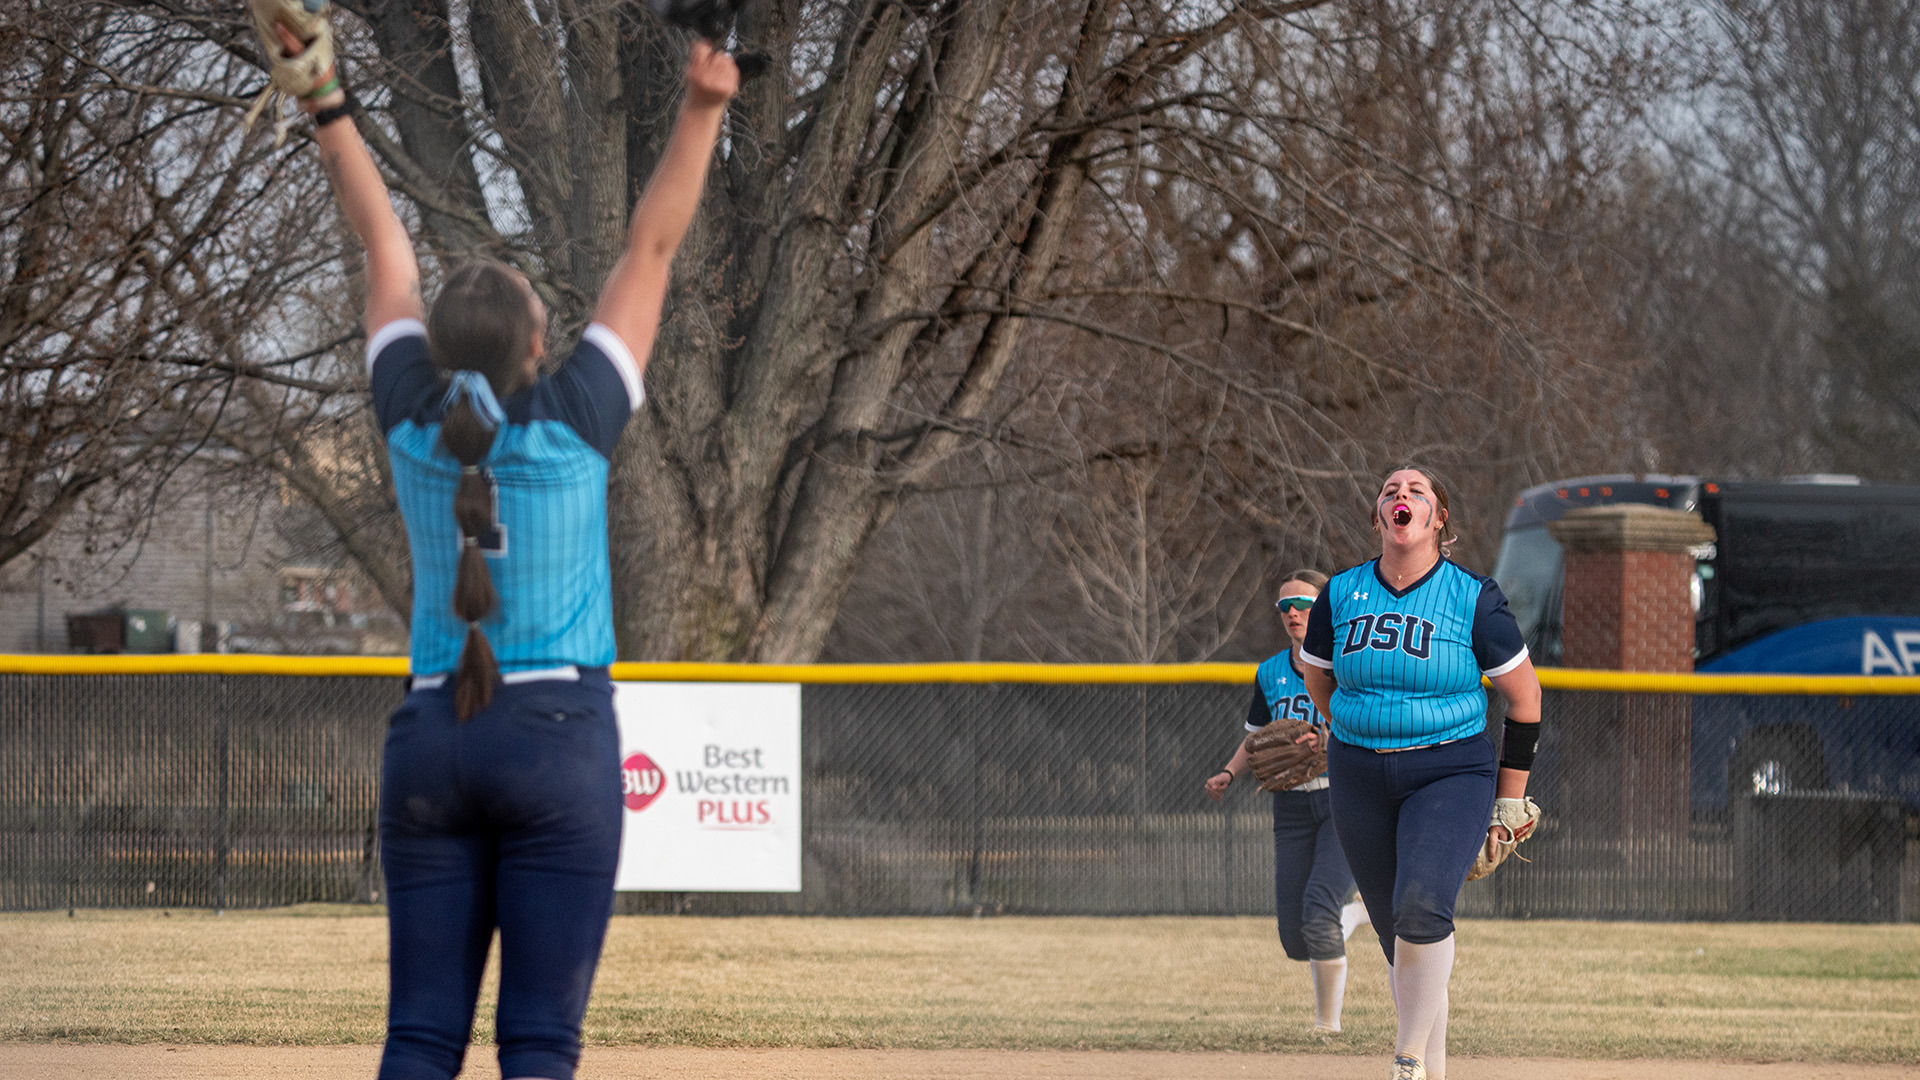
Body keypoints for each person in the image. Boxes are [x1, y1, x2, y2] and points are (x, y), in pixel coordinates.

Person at [271, 17, 738, 1080]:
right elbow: (652, 248)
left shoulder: (406, 417)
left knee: (421, 1041)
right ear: (541, 345)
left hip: (431, 737)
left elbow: (381, 242)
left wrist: (325, 98)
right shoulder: (578, 417)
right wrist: (703, 106)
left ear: (435, 350)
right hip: (557, 741)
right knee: (538, 1045)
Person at [1296, 467, 1542, 1080]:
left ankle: (1405, 1060)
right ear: (1378, 517)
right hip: (1357, 772)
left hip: (1448, 769)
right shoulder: (1341, 593)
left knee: (1425, 908)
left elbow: (1526, 698)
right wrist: (1353, 728)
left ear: (1439, 519)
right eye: (1389, 491)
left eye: (1417, 492)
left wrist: (1510, 802)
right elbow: (1317, 677)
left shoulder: (1473, 598)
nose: (1401, 496)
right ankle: (1432, 1071)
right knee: (1398, 936)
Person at [1206, 569, 1366, 1037]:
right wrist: (1229, 773)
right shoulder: (1270, 672)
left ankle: (1327, 1026)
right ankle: (1353, 914)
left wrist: (1329, 740)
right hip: (1291, 808)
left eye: (1303, 603)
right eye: (1285, 606)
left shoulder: (1346, 664)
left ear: (1325, 610)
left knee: (1318, 910)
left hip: (1341, 799)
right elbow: (1257, 740)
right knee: (1295, 939)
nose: (1293, 612)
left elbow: (1368, 723)